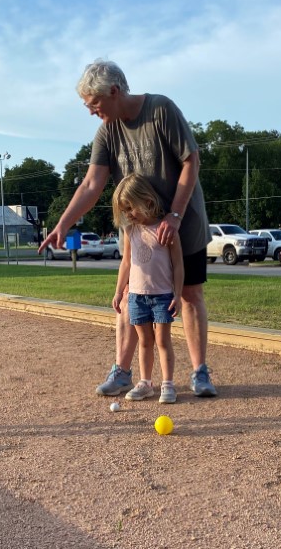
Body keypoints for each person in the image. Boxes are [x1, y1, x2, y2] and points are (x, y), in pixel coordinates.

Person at [39, 59, 217, 398]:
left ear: (114, 91)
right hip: (138, 228)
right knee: (132, 294)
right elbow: (92, 183)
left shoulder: (161, 110)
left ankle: (200, 373)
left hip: (182, 221)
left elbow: (191, 160)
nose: (91, 112)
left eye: (94, 104)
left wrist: (174, 215)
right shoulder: (107, 131)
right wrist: (63, 223)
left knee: (189, 294)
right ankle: (122, 371)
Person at [112, 174, 184, 404]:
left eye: (130, 208)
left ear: (147, 200)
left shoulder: (166, 228)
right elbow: (126, 263)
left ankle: (168, 384)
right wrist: (118, 291)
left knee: (162, 340)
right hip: (136, 296)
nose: (128, 214)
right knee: (144, 341)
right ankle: (145, 383)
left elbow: (178, 264)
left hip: (162, 296)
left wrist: (178, 294)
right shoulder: (130, 231)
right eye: (124, 211)